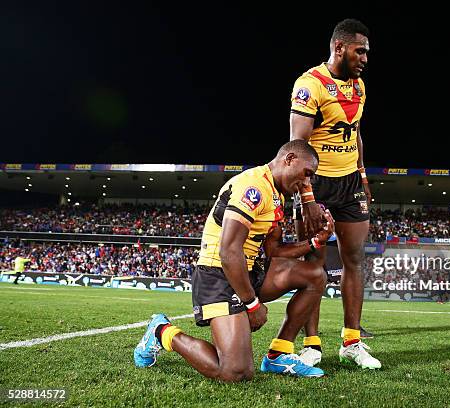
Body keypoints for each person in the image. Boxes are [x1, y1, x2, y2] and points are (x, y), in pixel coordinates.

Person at [134, 140, 336, 380]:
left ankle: (278, 355)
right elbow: (229, 251)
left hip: (246, 271)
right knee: (235, 371)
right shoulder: (253, 186)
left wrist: (316, 242)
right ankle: (161, 331)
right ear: (289, 159)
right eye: (306, 174)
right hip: (218, 273)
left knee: (315, 275)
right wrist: (252, 305)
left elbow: (273, 251)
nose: (306, 184)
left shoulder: (276, 195)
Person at [289, 18, 380, 369]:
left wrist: (361, 172)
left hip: (349, 182)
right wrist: (308, 197)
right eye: (360, 51)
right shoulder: (308, 85)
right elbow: (298, 146)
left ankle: (351, 342)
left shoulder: (359, 87)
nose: (365, 58)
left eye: (367, 52)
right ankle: (311, 345)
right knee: (313, 263)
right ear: (338, 47)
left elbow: (355, 131)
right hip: (318, 182)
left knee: (354, 259)